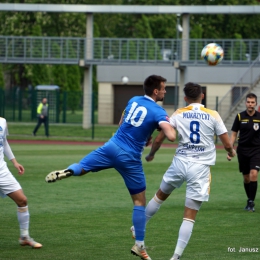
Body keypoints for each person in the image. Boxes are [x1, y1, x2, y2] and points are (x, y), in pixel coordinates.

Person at [45, 75, 176, 260]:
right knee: (139, 202)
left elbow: (123, 121)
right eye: (163, 88)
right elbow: (170, 135)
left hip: (112, 145)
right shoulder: (158, 111)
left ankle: (68, 170)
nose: (165, 91)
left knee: (83, 167)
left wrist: (142, 133)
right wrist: (170, 126)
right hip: (129, 157)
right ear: (156, 91)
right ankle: (139, 245)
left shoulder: (133, 100)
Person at [130, 82, 236, 260]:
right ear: (202, 96)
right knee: (189, 215)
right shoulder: (213, 115)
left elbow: (160, 138)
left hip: (179, 163)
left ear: (185, 98)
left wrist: (151, 154)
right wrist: (231, 151)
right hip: (200, 168)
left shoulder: (179, 113)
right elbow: (226, 144)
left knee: (160, 196)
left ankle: (137, 227)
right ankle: (175, 257)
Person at [0, 117, 42, 248]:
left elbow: (4, 142)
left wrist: (14, 162)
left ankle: (24, 237)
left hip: (2, 170)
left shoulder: (2, 121)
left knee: (22, 200)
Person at [230, 93, 260, 212]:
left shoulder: (259, 117)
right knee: (246, 177)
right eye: (248, 102)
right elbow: (233, 134)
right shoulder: (239, 116)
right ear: (245, 103)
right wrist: (230, 148)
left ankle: (251, 202)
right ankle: (249, 199)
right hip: (242, 150)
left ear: (256, 103)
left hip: (257, 150)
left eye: (252, 102)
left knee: (253, 173)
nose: (250, 104)